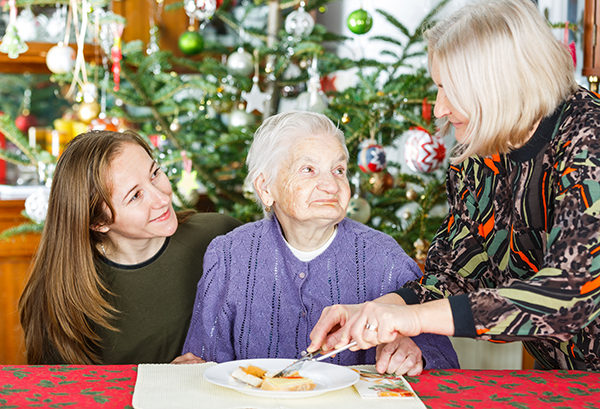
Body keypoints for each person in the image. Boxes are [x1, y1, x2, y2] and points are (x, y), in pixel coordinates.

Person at [307, 0, 600, 372]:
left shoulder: (589, 139)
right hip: (566, 380)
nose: (439, 108)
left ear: (497, 84)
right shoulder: (479, 149)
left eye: (449, 88)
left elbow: (571, 296)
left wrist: (414, 320)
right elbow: (457, 270)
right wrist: (385, 309)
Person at [181, 110, 459, 375]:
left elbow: (443, 363)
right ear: (266, 188)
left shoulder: (386, 259)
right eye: (308, 169)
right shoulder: (229, 255)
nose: (331, 185)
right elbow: (203, 363)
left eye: (338, 170)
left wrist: (414, 355)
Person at [18, 130, 241, 365]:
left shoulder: (223, 237)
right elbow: (62, 393)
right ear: (99, 222)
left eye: (154, 174)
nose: (162, 198)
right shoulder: (61, 294)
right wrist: (160, 380)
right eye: (135, 196)